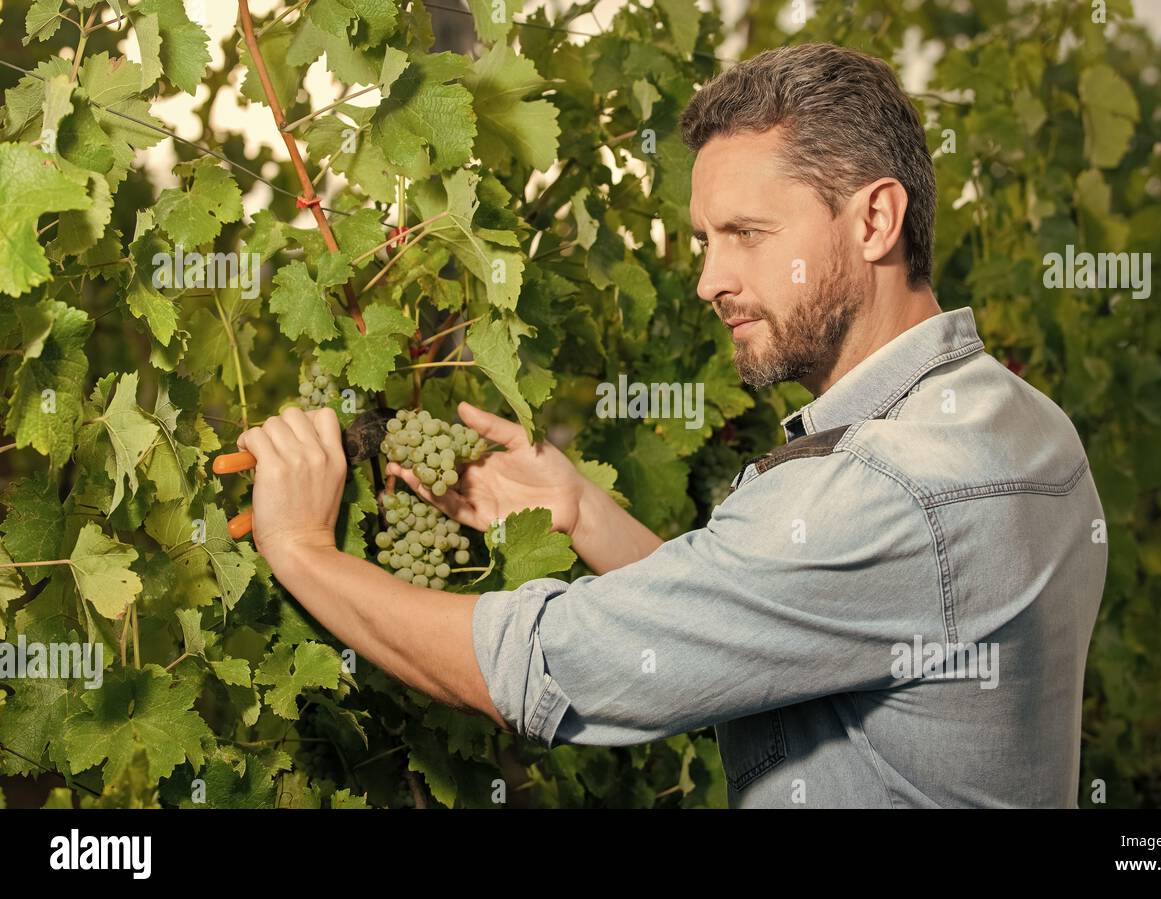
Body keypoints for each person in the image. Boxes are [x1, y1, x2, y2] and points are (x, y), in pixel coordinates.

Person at [239, 43, 1107, 808]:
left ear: (875, 219)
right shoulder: (1022, 424)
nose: (708, 280)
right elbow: (788, 613)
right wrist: (580, 512)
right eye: (703, 239)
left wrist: (301, 548)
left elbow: (541, 666)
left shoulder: (882, 488)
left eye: (746, 234)